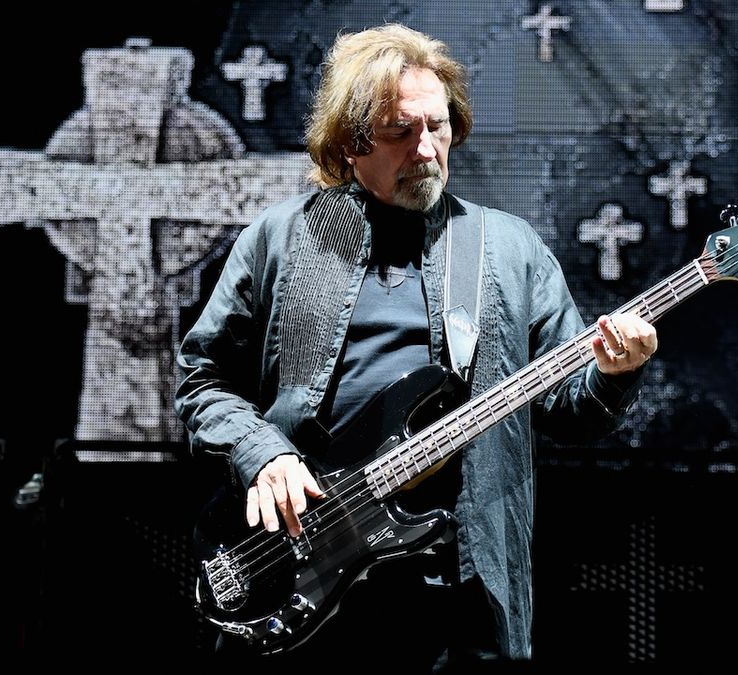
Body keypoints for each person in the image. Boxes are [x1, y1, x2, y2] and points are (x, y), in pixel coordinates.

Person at [175, 23, 657, 671]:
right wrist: (265, 456)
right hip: (300, 577)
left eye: (438, 126)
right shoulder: (282, 239)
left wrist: (614, 372)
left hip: (456, 600)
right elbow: (202, 379)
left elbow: (574, 411)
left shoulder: (507, 250)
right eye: (402, 132)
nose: (427, 148)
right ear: (350, 142)